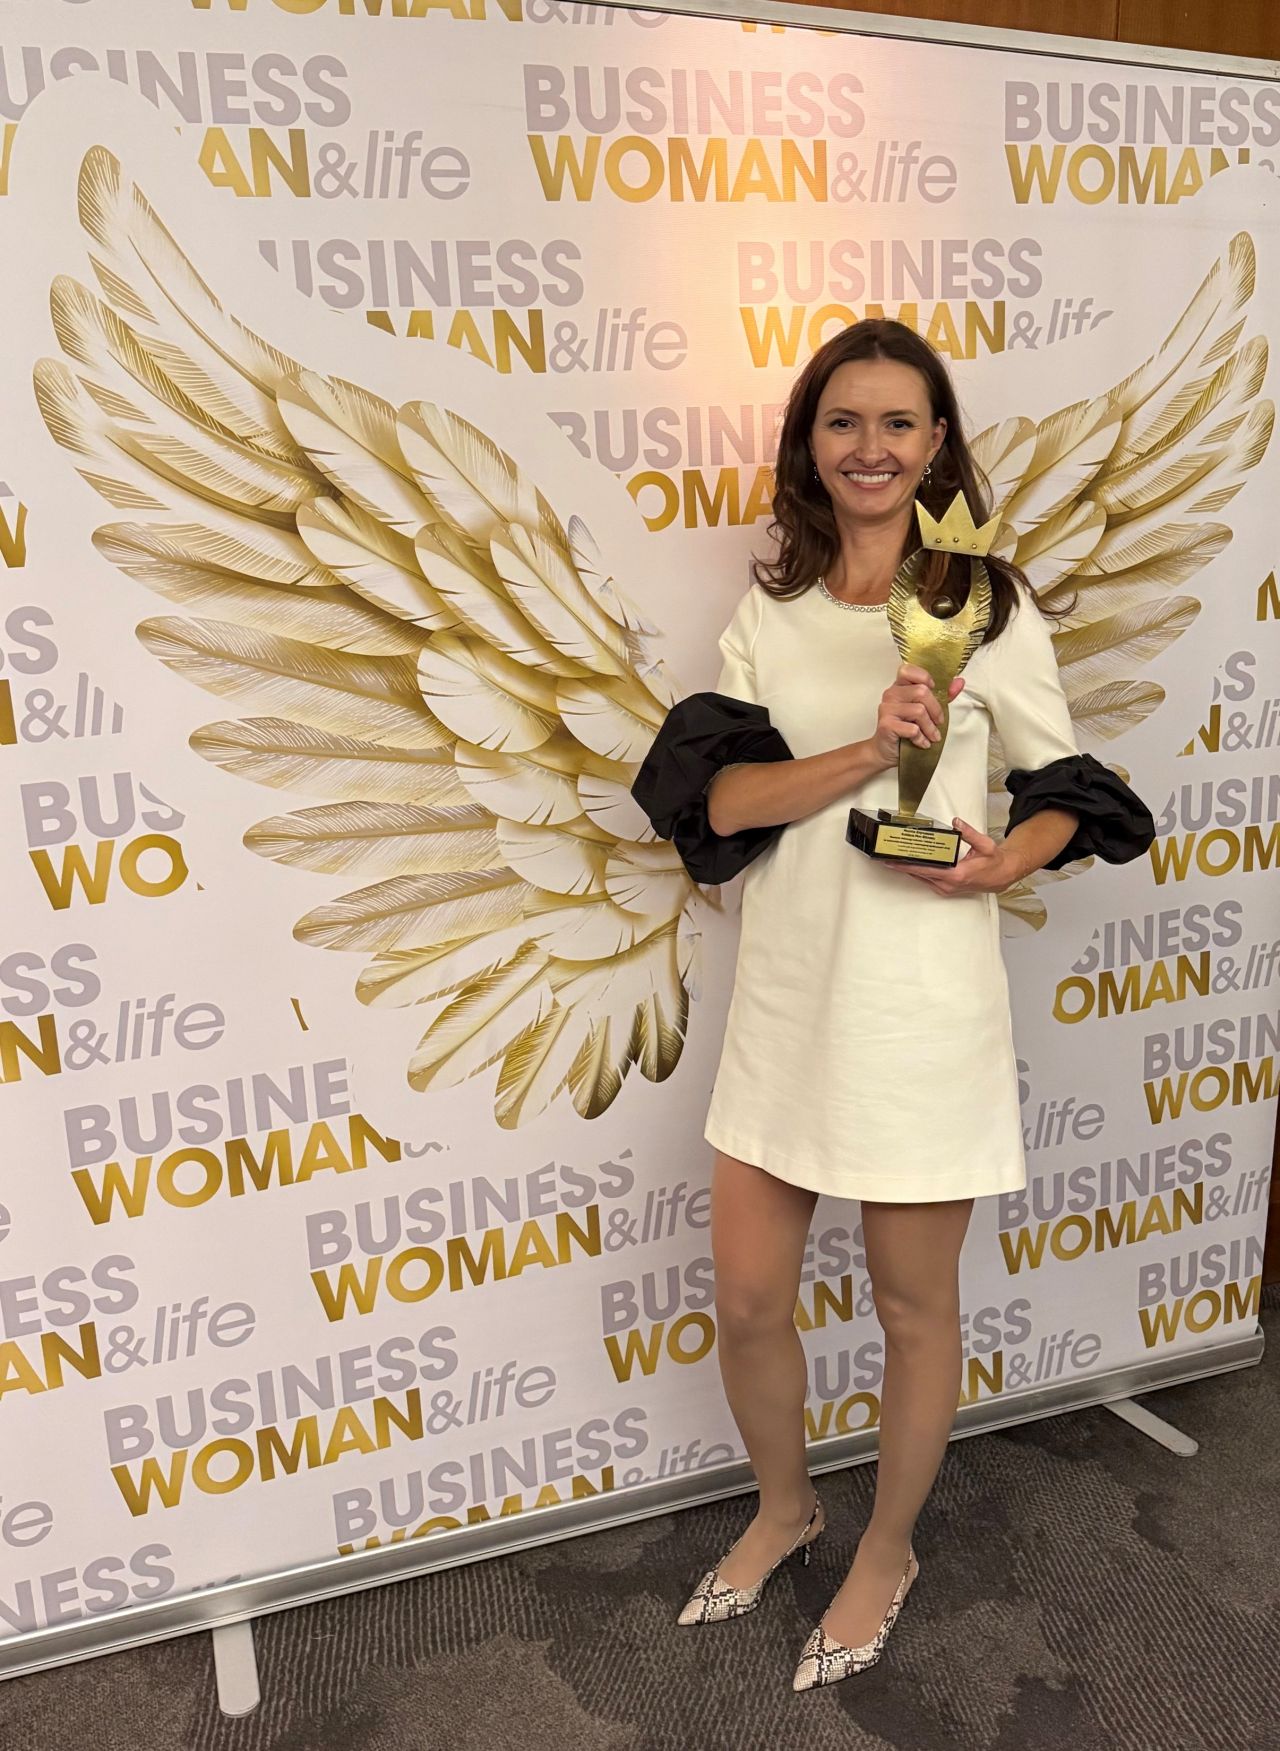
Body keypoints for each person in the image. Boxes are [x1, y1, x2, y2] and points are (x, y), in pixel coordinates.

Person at [631, 319, 1152, 1694]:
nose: (871, 447)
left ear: (937, 444)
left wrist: (1003, 864)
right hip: (788, 1003)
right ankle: (785, 1508)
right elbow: (720, 804)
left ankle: (888, 1549)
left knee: (915, 1311)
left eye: (899, 423)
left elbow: (1065, 786)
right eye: (843, 421)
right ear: (811, 445)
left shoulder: (988, 605)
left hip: (920, 1007)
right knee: (750, 1298)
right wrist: (870, 746)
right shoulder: (773, 615)